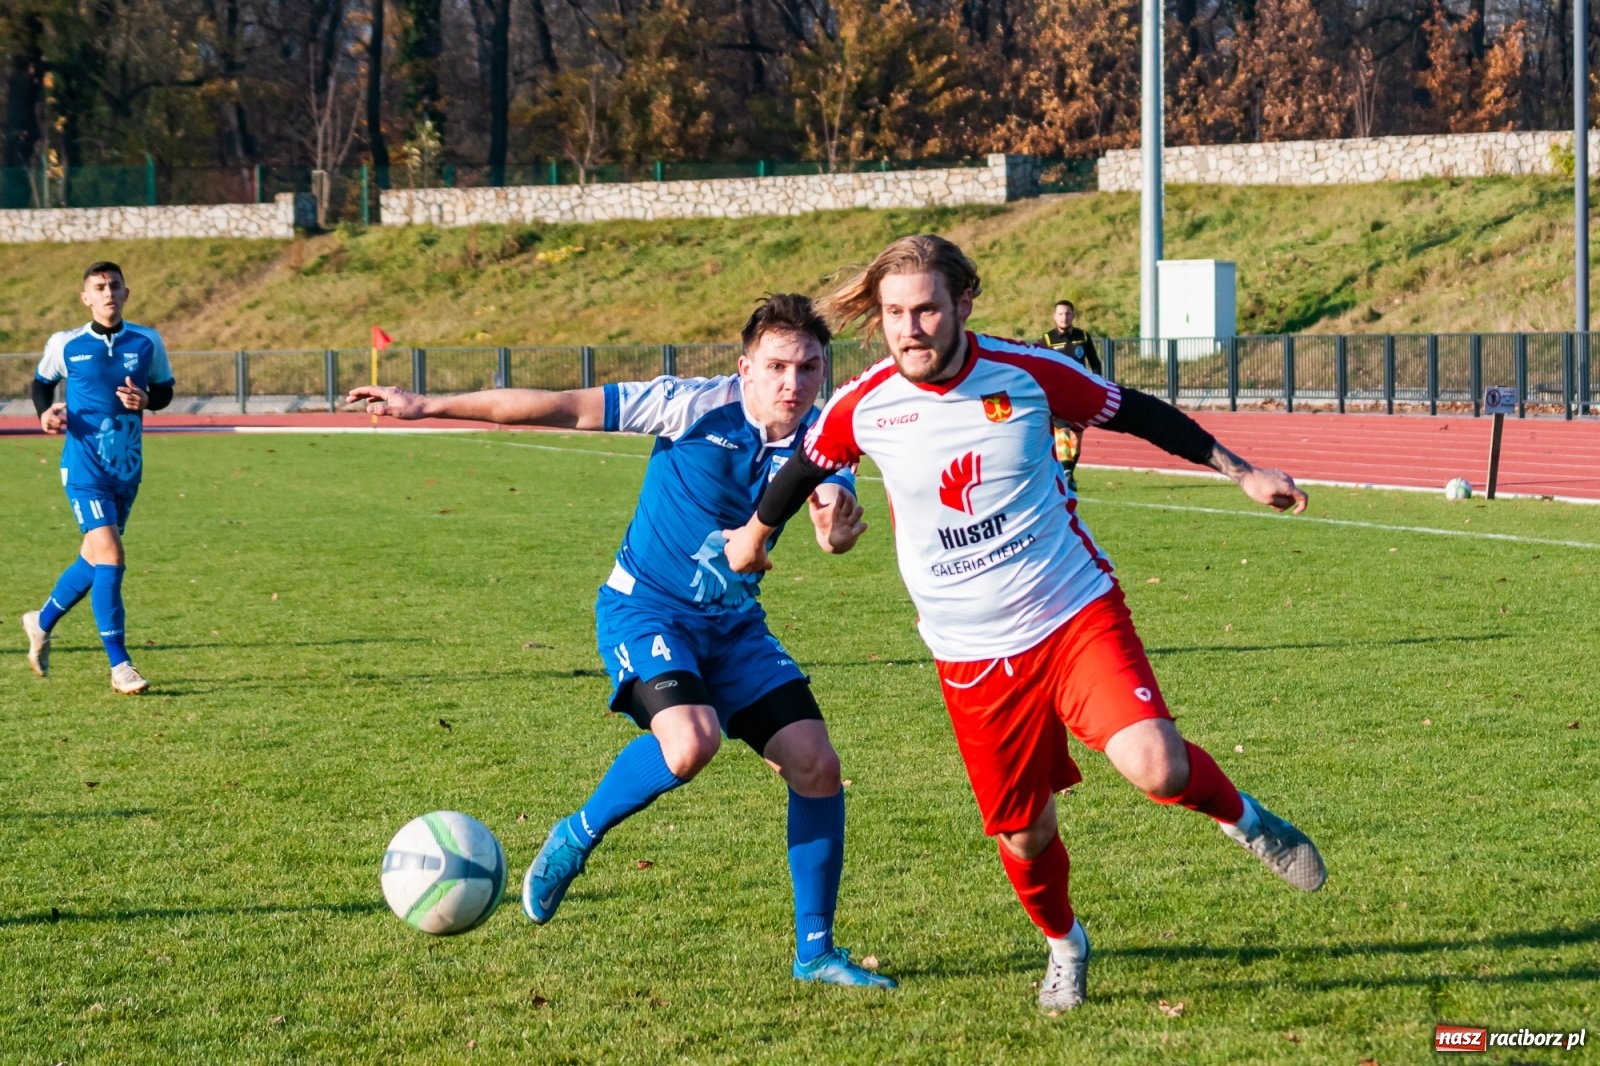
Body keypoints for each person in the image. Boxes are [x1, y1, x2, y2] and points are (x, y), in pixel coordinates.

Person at [722, 237, 1324, 1013]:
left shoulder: (1031, 373)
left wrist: (1244, 473)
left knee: (1158, 766)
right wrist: (754, 534)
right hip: (970, 656)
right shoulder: (862, 403)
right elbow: (804, 462)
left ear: (963, 304)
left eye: (927, 309)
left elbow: (1136, 411)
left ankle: (1247, 821)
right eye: (895, 313)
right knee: (1026, 837)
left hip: (1070, 612)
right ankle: (1066, 946)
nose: (911, 328)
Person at [349, 294, 895, 989]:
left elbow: (827, 511)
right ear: (746, 368)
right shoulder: (687, 405)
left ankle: (815, 954)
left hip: (734, 628)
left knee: (816, 763)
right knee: (691, 743)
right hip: (648, 613)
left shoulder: (823, 436)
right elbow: (564, 405)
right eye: (778, 366)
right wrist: (428, 405)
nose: (794, 383)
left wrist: (836, 528)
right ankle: (575, 837)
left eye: (810, 367)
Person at [23, 262, 175, 694]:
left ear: (127, 292)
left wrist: (148, 398)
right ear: (86, 297)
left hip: (126, 467)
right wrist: (45, 413)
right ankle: (120, 665)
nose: (108, 293)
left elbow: (164, 389)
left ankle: (41, 621)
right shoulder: (66, 343)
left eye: (114, 286)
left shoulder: (148, 340)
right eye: (99, 287)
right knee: (111, 556)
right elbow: (40, 384)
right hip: (84, 466)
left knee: (93, 560)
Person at [1042, 300, 1101, 489]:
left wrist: (1096, 382)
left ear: (1073, 315)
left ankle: (1068, 473)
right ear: (1054, 316)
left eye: (1067, 314)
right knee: (1063, 433)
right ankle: (1067, 475)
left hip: (1080, 394)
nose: (1064, 317)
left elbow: (1095, 363)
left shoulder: (1083, 336)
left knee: (1077, 437)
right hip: (1059, 395)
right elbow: (1039, 365)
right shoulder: (1047, 339)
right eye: (1060, 314)